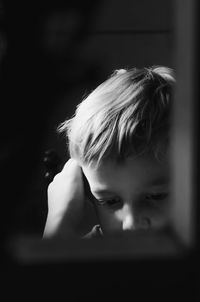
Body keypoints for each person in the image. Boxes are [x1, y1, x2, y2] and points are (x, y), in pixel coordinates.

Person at [43, 66, 175, 239]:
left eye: (157, 196)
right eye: (111, 201)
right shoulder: (89, 255)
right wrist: (59, 222)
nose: (131, 224)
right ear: (85, 189)